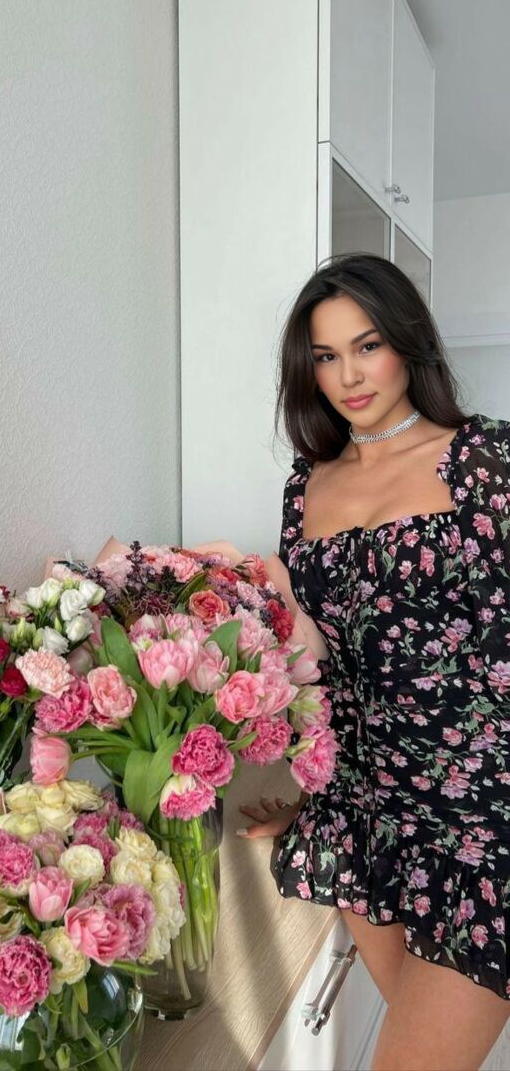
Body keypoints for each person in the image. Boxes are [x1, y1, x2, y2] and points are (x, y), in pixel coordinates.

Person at [238, 253, 510, 1071]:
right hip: (362, 820)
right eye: (326, 356)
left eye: (367, 346)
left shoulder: (485, 460)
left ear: (407, 342)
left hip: (482, 822)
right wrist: (311, 797)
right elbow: (323, 662)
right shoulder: (306, 487)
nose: (349, 376)